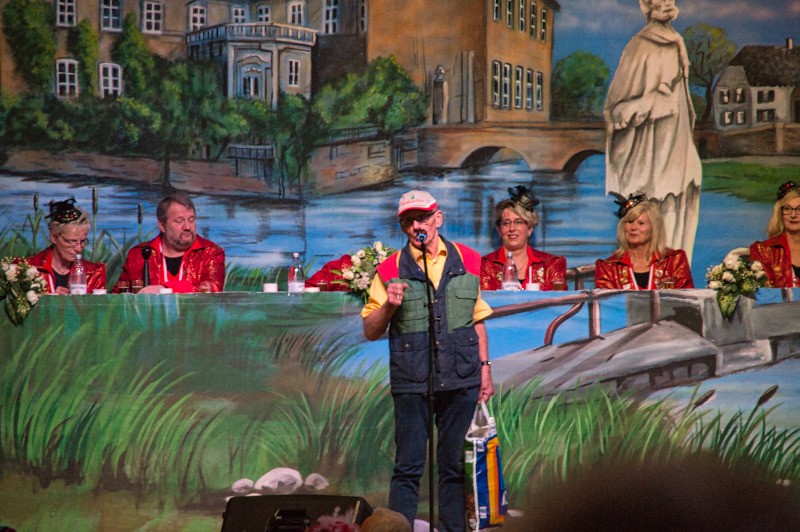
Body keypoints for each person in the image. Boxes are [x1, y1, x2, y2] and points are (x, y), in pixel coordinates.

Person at [361, 190, 494, 531]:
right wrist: (389, 306)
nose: (415, 226)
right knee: (408, 467)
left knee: (453, 466)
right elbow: (370, 330)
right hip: (412, 380)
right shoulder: (390, 268)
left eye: (421, 218)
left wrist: (485, 369)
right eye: (408, 221)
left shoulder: (468, 260)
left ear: (438, 218)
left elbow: (477, 320)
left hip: (461, 376)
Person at [604, 0, 702, 262]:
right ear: (646, 6)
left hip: (679, 157)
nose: (667, 3)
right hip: (650, 164)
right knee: (652, 223)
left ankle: (676, 277)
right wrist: (654, 103)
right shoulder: (639, 47)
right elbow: (615, 111)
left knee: (679, 229)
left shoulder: (677, 42)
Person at [113, 192, 225, 293]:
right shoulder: (139, 254)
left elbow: (213, 287)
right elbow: (117, 298)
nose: (187, 227)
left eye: (191, 220)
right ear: (162, 226)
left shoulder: (210, 252)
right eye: (179, 221)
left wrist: (165, 289)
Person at [595, 193, 693, 289]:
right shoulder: (608, 267)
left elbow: (686, 298)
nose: (633, 227)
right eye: (629, 222)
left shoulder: (674, 261)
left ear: (654, 228)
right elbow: (606, 299)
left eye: (641, 223)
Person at [480, 186, 567, 290]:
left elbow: (559, 299)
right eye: (506, 223)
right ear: (499, 230)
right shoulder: (485, 265)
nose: (512, 228)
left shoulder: (552, 264)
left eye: (518, 222)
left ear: (529, 229)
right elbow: (484, 299)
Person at [27, 198, 106, 294]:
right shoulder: (28, 269)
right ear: (54, 237)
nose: (78, 249)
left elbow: (100, 304)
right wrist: (50, 298)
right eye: (72, 241)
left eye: (82, 241)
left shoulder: (94, 273)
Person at [749, 180, 800, 288]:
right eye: (787, 209)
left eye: (799, 209)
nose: (793, 215)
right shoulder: (764, 251)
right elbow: (763, 292)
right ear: (780, 213)